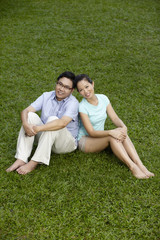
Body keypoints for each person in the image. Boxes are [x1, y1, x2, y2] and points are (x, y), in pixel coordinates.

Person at [75, 74, 154, 179]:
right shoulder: (82, 107)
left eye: (87, 86)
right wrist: (110, 132)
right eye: (81, 90)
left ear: (92, 84)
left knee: (120, 130)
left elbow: (115, 118)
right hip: (85, 140)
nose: (85, 91)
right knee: (112, 136)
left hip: (100, 137)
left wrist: (123, 127)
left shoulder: (103, 98)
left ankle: (140, 164)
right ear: (79, 92)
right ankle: (133, 167)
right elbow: (91, 132)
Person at [6, 71, 79, 175]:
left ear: (72, 90)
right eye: (60, 84)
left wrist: (38, 129)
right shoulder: (46, 96)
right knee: (30, 116)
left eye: (66, 87)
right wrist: (26, 125)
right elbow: (25, 111)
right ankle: (21, 158)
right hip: (46, 137)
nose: (61, 89)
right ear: (56, 83)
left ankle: (34, 162)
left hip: (65, 144)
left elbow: (62, 123)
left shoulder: (73, 103)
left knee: (54, 120)